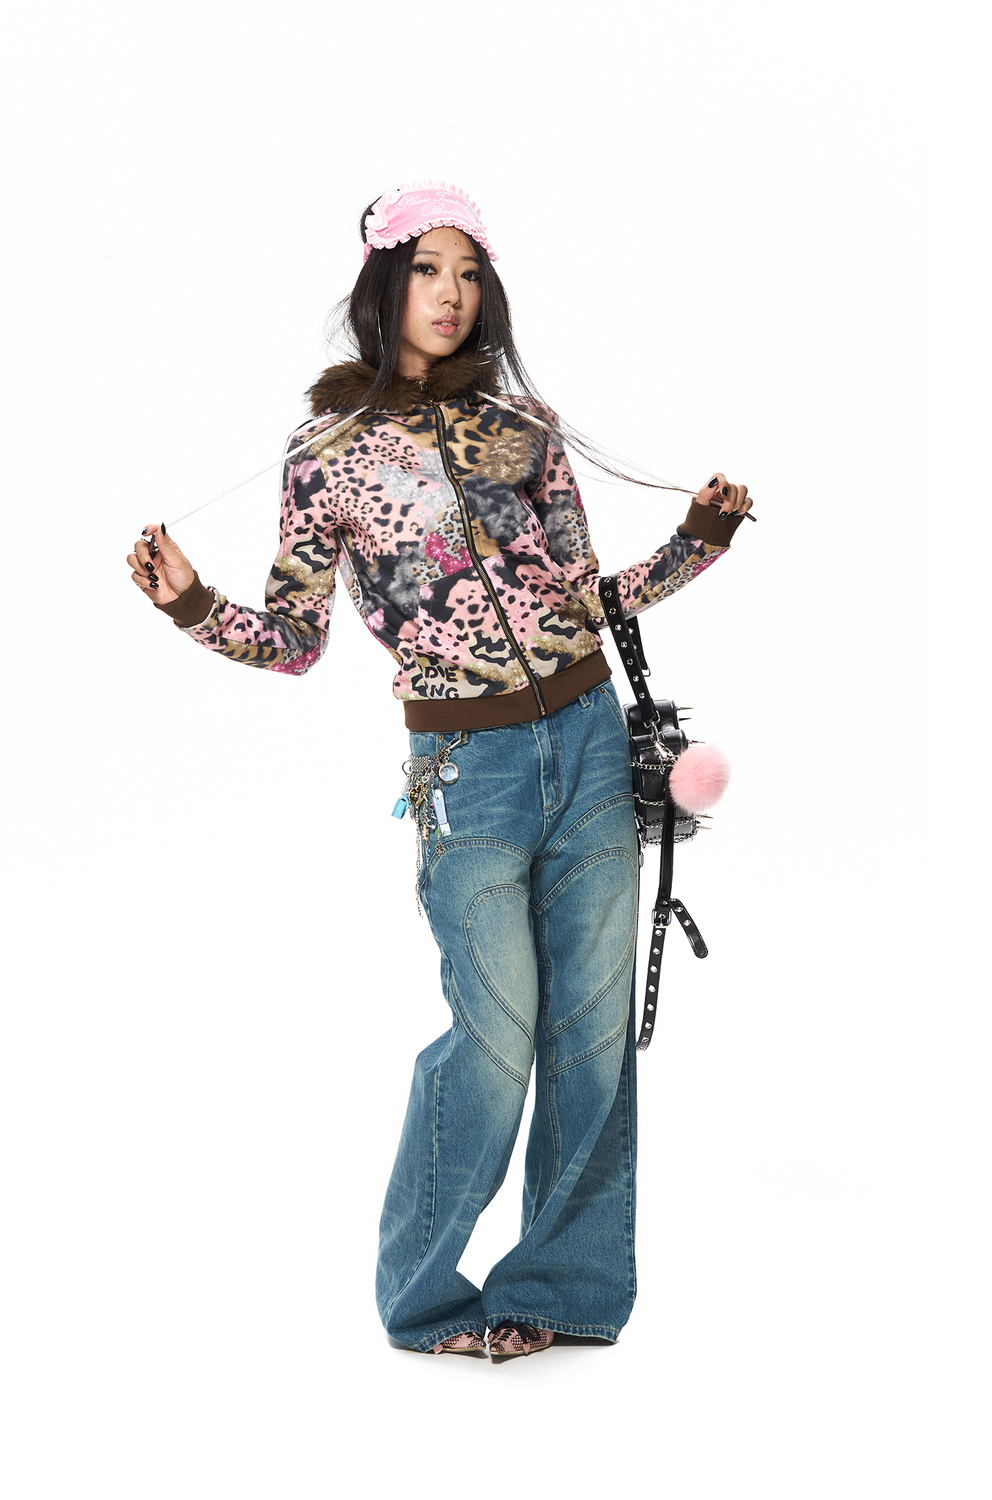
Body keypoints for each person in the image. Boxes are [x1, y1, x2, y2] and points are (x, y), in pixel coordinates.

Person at [127, 182, 752, 1360]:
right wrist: (191, 604)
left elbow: (584, 597)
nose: (451, 294)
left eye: (469, 273)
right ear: (385, 283)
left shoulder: (524, 428)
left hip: (585, 735)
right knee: (496, 1035)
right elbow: (294, 639)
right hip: (467, 767)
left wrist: (696, 545)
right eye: (428, 270)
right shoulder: (326, 454)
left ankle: (557, 1293)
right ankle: (421, 1299)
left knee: (587, 1035)